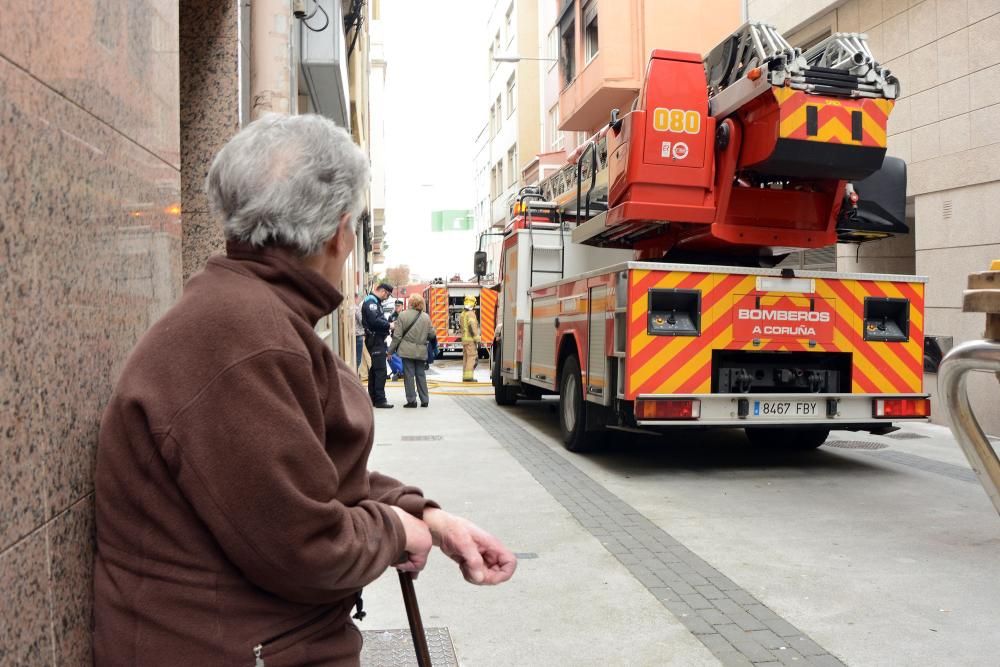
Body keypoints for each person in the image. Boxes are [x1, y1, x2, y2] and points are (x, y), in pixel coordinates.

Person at [92, 114, 516, 667]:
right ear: (341, 231)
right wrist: (393, 529)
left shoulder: (247, 315)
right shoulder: (244, 335)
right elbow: (304, 544)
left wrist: (428, 518)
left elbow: (303, 471)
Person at [390, 294, 435, 408]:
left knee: (409, 376)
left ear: (410, 303)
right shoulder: (426, 317)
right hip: (421, 350)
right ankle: (425, 400)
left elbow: (397, 336)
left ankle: (412, 400)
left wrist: (390, 351)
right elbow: (432, 334)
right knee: (421, 375)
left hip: (406, 351)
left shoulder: (403, 315)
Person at [363, 282, 394, 407]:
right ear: (382, 291)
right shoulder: (371, 302)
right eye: (387, 295)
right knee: (381, 370)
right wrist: (389, 325)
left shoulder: (375, 302)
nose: (386, 297)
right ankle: (380, 400)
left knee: (374, 370)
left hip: (376, 339)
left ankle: (373, 398)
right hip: (375, 340)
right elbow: (374, 320)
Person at [460, 295, 482, 382]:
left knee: (466, 358)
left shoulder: (463, 314)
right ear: (473, 303)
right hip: (470, 341)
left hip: (465, 340)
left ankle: (465, 376)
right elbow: (473, 328)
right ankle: (469, 377)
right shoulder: (471, 314)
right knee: (472, 357)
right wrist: (478, 339)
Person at [354, 294, 364, 372]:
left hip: (352, 335)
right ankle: (356, 373)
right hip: (358, 335)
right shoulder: (356, 309)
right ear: (356, 298)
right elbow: (362, 321)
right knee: (358, 359)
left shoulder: (348, 308)